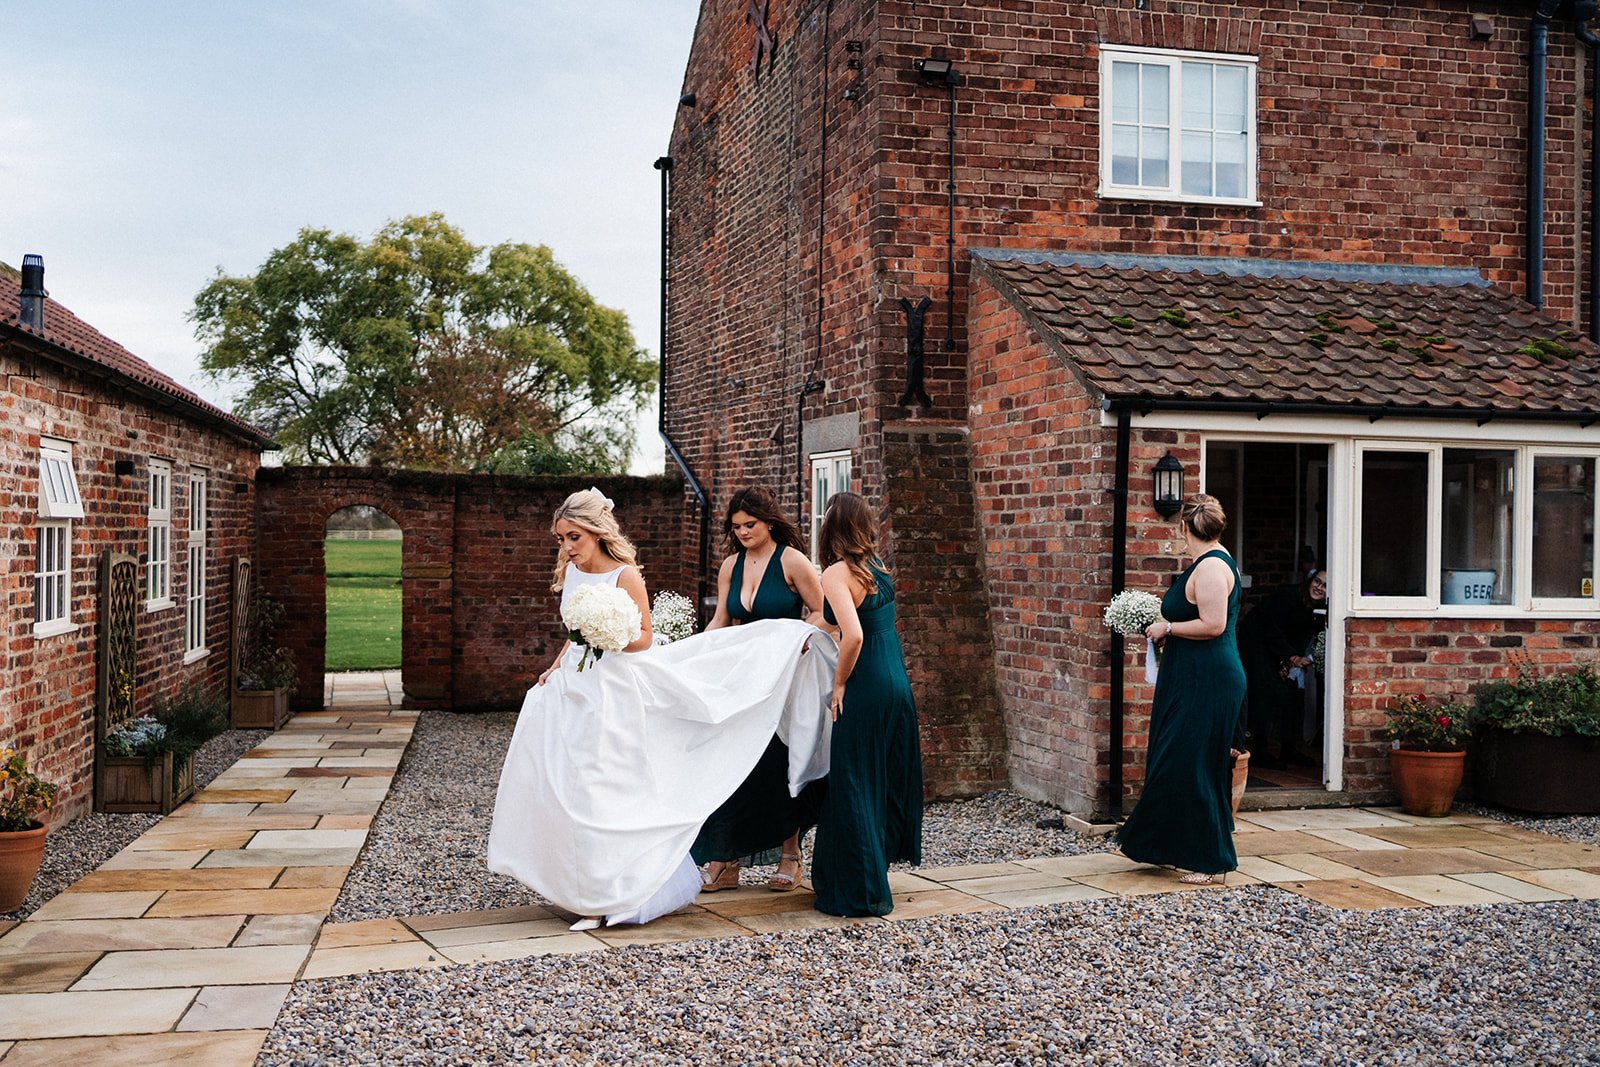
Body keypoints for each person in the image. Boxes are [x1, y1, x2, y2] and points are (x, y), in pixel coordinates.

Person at [487, 488, 836, 931]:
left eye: (573, 537)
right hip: (574, 686)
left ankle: (607, 894)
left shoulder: (626, 575)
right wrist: (555, 665)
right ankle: (575, 885)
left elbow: (644, 638)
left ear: (595, 533)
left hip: (613, 689)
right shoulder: (573, 575)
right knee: (562, 782)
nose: (566, 547)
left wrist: (606, 636)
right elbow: (572, 633)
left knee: (604, 785)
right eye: (561, 539)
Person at [694, 487, 827, 894]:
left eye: (749, 525)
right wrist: (691, 650)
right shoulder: (731, 565)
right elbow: (721, 619)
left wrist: (802, 637)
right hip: (742, 678)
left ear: (769, 521)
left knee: (778, 760)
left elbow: (823, 612)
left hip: (784, 677)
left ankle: (791, 854)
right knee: (734, 760)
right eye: (736, 528)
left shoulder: (792, 560)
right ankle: (725, 857)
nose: (743, 533)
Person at [1116, 493, 1246, 886]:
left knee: (1192, 763)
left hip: (1208, 679)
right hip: (1191, 675)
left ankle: (1208, 859)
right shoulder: (1212, 561)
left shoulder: (1210, 567)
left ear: (1185, 527)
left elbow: (1213, 624)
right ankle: (1161, 845)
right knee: (1173, 760)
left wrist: (1166, 627)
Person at [810, 492, 923, 917]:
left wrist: (839, 684)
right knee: (877, 780)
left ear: (830, 528)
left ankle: (861, 891)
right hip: (896, 682)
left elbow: (852, 635)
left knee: (852, 782)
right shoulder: (877, 569)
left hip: (866, 685)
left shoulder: (837, 573)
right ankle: (871, 875)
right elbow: (838, 618)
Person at [1236, 568, 1328, 767]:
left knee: (1291, 691)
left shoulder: (1319, 610)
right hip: (1257, 642)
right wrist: (1291, 657)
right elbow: (1273, 630)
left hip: (1281, 647)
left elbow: (1300, 635)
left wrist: (1295, 660)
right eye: (1317, 582)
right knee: (1265, 688)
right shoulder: (1288, 597)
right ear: (1310, 581)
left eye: (1325, 586)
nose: (1319, 588)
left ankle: (1289, 748)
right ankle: (1260, 749)